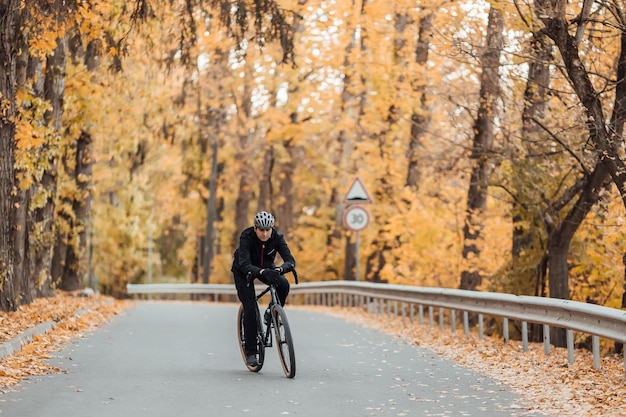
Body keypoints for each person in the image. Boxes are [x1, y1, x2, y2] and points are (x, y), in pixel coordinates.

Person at [231, 211, 296, 367]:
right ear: (255, 228)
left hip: (267, 268)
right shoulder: (246, 236)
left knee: (284, 284)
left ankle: (271, 311)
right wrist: (260, 272)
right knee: (251, 308)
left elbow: (290, 260)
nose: (265, 233)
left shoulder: (277, 237)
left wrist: (280, 270)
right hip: (243, 271)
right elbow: (245, 264)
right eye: (261, 230)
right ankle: (251, 352)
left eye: (268, 230)